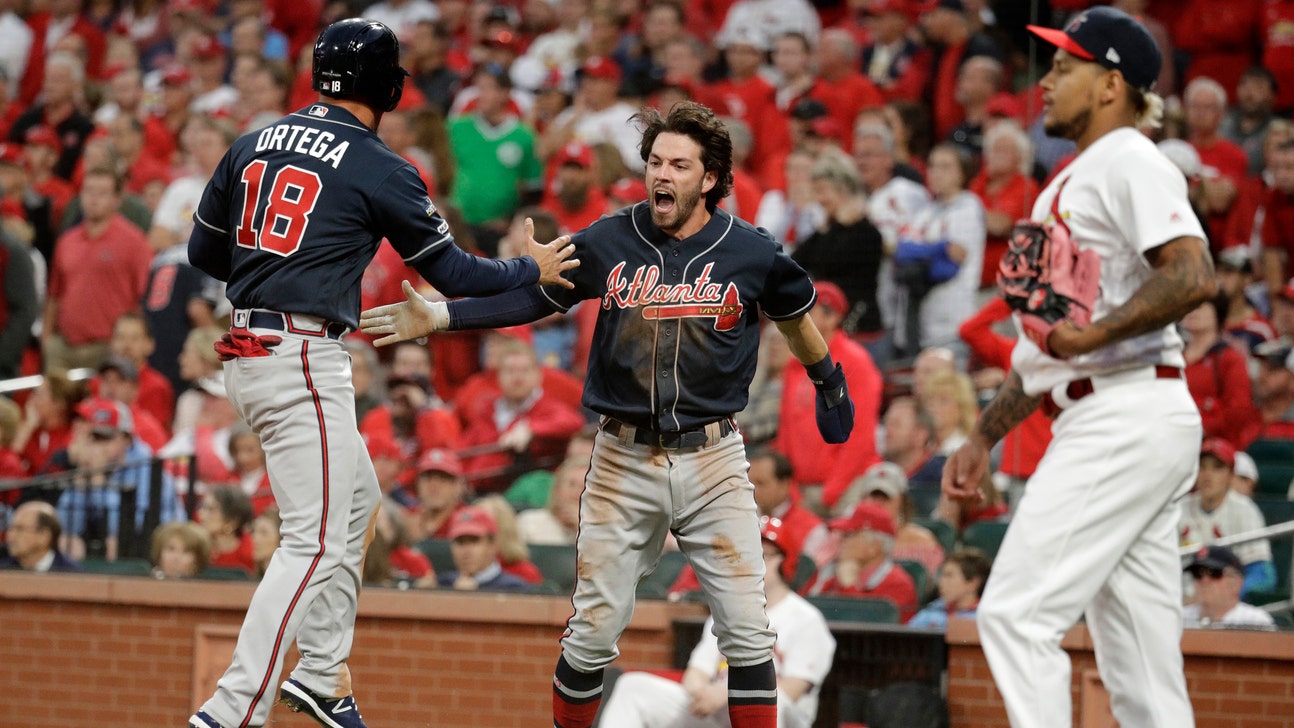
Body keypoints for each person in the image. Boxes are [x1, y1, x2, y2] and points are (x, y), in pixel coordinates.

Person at [361, 100, 856, 728]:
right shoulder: (611, 237)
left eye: (679, 164)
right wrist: (441, 315)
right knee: (592, 633)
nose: (662, 175)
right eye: (654, 162)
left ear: (710, 179)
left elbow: (796, 318)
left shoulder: (751, 251)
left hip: (714, 456)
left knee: (748, 632)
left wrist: (828, 380)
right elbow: (534, 297)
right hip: (623, 455)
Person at [185, 19, 578, 728]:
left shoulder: (252, 142)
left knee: (358, 500)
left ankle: (323, 674)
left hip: (253, 352)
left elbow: (205, 253)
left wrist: (287, 268)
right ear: (387, 85)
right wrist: (532, 268)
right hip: (299, 355)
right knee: (314, 539)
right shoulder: (378, 163)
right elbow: (452, 272)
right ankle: (231, 709)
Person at [942, 9, 1218, 728]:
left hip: (1121, 413)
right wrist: (984, 436)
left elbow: (1193, 274)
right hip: (1122, 411)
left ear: (1111, 85)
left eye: (1067, 66)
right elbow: (1046, 345)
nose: (1047, 80)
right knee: (1142, 675)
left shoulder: (1129, 157)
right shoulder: (1073, 177)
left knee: (1013, 613)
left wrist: (1094, 333)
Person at [599, 516, 836, 728]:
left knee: (771, 701)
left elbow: (793, 689)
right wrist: (703, 694)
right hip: (720, 713)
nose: (755, 562)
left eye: (766, 555)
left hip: (776, 717)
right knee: (633, 687)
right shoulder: (727, 611)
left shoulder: (806, 619)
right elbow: (696, 674)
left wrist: (725, 694)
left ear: (787, 562)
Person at [1178, 438, 1276, 597]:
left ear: (1230, 475)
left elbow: (1262, 575)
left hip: (1227, 605)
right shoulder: (1179, 509)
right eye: (1202, 467)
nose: (1208, 475)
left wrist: (1226, 598)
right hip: (1182, 600)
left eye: (1217, 468)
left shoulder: (1245, 509)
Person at [803, 500, 918, 622]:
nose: (841, 540)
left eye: (848, 535)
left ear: (874, 547)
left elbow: (867, 634)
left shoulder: (898, 585)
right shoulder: (832, 571)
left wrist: (849, 586)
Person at [436, 504, 532, 591]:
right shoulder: (445, 583)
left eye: (474, 541)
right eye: (460, 542)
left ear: (493, 545)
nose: (466, 551)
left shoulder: (513, 588)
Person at [1181, 545, 1277, 630]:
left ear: (1236, 582)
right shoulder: (1180, 618)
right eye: (1197, 574)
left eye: (1215, 573)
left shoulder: (1255, 621)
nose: (1204, 580)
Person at [909, 547, 992, 631]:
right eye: (942, 575)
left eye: (949, 576)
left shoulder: (986, 618)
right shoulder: (932, 611)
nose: (941, 582)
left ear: (972, 583)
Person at [516, 456, 587, 546]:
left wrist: (583, 528)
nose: (577, 493)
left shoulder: (601, 533)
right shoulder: (529, 523)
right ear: (557, 489)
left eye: (585, 487)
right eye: (571, 485)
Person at [0, 501, 82, 572]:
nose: (11, 535)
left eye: (20, 529)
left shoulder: (71, 573)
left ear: (44, 536)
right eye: (11, 528)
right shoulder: (4, 570)